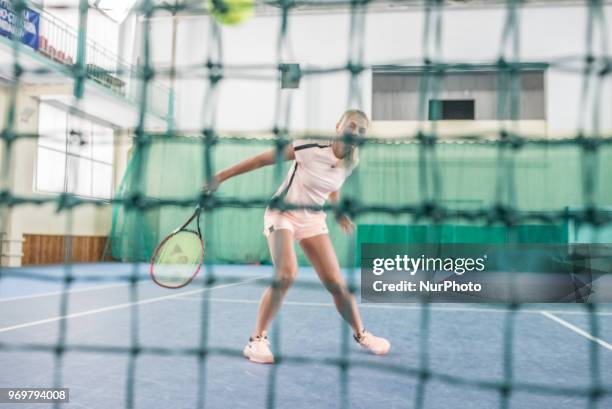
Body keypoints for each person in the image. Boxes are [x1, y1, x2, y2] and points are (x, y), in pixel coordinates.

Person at [210, 109, 390, 364]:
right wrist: (221, 176)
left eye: (362, 130)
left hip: (313, 219)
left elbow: (332, 187)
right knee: (287, 273)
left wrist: (338, 213)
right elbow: (263, 159)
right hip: (281, 213)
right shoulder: (310, 145)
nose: (355, 133)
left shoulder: (351, 161)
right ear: (338, 126)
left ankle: (362, 335)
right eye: (351, 126)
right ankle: (256, 340)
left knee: (337, 285)